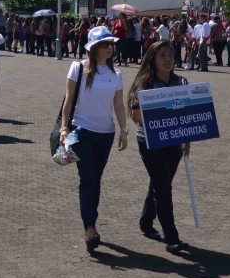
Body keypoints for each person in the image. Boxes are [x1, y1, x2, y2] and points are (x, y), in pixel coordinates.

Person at [58, 26, 127, 254]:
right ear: (94, 47)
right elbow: (68, 100)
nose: (109, 48)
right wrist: (64, 126)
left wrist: (123, 130)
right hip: (82, 131)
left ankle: (91, 221)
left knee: (96, 179)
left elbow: (118, 104)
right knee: (87, 178)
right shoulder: (78, 68)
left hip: (105, 134)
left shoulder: (116, 74)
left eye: (111, 44)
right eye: (104, 44)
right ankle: (90, 228)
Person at [127, 40, 190, 254]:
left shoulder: (181, 82)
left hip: (174, 141)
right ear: (152, 58)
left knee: (159, 183)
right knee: (164, 189)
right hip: (151, 141)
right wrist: (160, 117)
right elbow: (135, 116)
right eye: (162, 55)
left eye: (170, 56)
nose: (167, 60)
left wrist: (186, 139)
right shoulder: (144, 83)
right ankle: (172, 238)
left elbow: (187, 115)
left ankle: (146, 222)